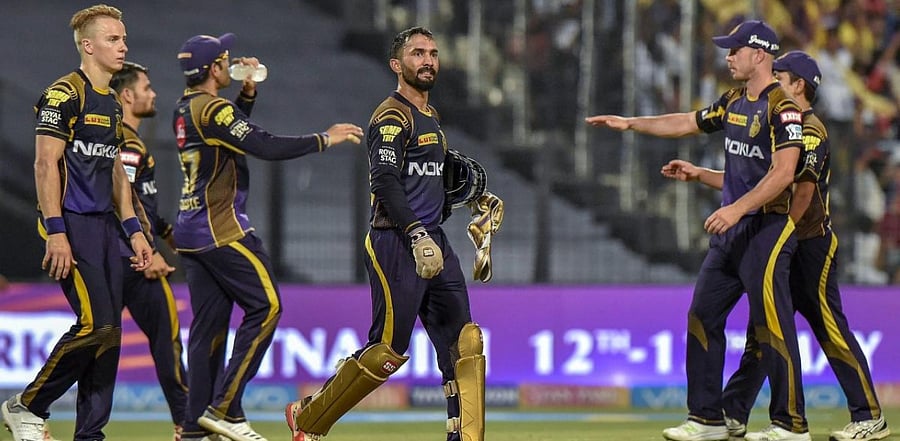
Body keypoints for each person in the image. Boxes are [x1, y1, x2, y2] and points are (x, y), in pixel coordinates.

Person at [587, 20, 809, 441]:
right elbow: (685, 122)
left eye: (735, 50)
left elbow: (783, 174)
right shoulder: (733, 101)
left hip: (766, 229)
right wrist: (630, 123)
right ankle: (707, 419)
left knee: (772, 326)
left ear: (759, 54)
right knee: (702, 316)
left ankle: (791, 424)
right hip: (731, 230)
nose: (728, 57)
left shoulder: (784, 108)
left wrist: (736, 209)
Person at [285, 26, 502, 441]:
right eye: (417, 53)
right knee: (387, 350)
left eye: (433, 53)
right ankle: (308, 417)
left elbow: (427, 183)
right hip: (397, 241)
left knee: (465, 344)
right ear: (396, 65)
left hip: (434, 240)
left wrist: (473, 199)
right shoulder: (391, 116)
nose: (428, 60)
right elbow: (384, 182)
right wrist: (417, 234)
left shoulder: (431, 117)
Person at [661, 50, 890, 441]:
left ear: (799, 85)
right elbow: (757, 184)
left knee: (829, 328)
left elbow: (800, 194)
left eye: (780, 77)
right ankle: (733, 413)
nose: (772, 83)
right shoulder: (779, 124)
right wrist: (701, 175)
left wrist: (778, 239)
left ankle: (869, 416)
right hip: (781, 242)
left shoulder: (810, 130)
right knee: (763, 334)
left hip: (809, 245)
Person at [172, 33, 364, 441]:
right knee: (267, 307)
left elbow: (228, 137)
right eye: (224, 59)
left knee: (208, 331)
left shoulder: (187, 107)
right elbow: (263, 145)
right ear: (214, 69)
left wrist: (246, 96)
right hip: (222, 229)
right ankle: (224, 410)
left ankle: (194, 429)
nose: (229, 62)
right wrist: (323, 139)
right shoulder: (214, 109)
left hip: (191, 231)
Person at [1, 5, 152, 441]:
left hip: (105, 227)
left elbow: (116, 174)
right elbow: (44, 164)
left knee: (110, 336)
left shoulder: (112, 103)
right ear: (88, 45)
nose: (123, 46)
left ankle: (90, 435)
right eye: (113, 39)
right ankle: (28, 404)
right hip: (71, 223)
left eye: (123, 39)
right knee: (96, 324)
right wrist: (56, 231)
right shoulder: (64, 95)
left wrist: (135, 231)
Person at [110, 61, 189, 441]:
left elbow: (141, 202)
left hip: (119, 256)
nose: (153, 93)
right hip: (133, 259)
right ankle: (186, 425)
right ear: (127, 95)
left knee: (97, 342)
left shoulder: (126, 140)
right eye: (147, 87)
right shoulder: (126, 144)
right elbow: (121, 198)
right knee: (166, 343)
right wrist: (148, 250)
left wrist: (169, 234)